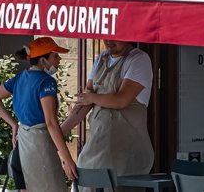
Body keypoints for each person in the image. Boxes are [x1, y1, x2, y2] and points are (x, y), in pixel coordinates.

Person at [0, 37, 77, 192]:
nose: (59, 59)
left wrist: (14, 124)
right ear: (43, 60)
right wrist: (67, 159)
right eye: (55, 56)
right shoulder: (46, 81)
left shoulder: (19, 78)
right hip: (39, 150)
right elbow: (51, 123)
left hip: (20, 150)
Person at [62, 40, 155, 181]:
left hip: (126, 151)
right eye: (106, 37)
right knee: (86, 185)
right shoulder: (101, 58)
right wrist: (61, 131)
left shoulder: (138, 59)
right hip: (97, 145)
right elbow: (85, 99)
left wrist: (92, 98)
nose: (109, 42)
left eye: (114, 37)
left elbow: (121, 100)